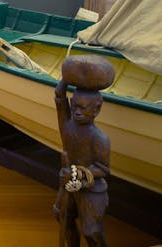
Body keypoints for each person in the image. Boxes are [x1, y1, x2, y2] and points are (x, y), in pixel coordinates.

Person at [53, 78, 110, 247]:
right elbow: (59, 97)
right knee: (61, 215)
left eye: (83, 108)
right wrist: (67, 77)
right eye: (75, 106)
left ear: (96, 110)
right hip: (69, 184)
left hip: (92, 189)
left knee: (91, 231)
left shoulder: (99, 138)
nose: (77, 112)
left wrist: (77, 174)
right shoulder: (67, 126)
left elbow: (103, 169)